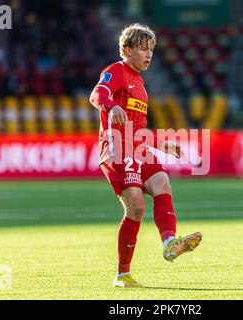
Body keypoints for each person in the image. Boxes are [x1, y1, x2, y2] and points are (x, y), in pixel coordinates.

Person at [89, 23, 202, 288]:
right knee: (137, 206)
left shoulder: (140, 83)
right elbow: (96, 95)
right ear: (127, 50)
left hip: (137, 148)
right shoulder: (115, 71)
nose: (149, 54)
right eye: (142, 48)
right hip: (116, 149)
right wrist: (112, 105)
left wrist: (161, 144)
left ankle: (169, 243)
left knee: (162, 181)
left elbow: (138, 129)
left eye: (151, 49)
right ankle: (122, 274)